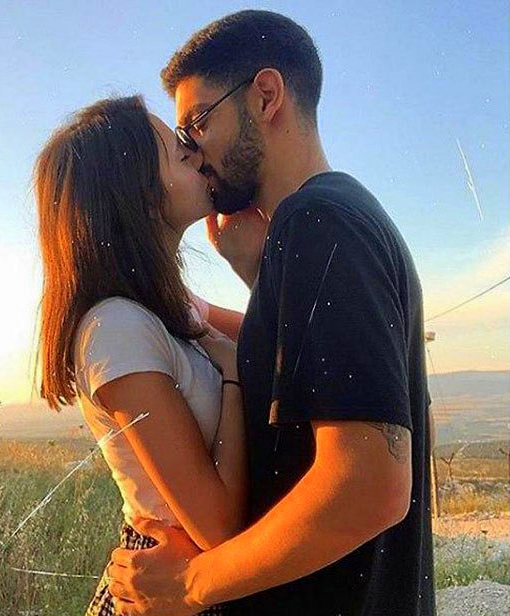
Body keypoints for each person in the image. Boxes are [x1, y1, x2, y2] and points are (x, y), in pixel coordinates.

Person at [106, 9, 436, 616]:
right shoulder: (335, 219)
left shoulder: (319, 222)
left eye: (198, 123)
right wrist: (257, 275)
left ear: (265, 96)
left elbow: (372, 484)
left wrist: (191, 584)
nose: (193, 152)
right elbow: (388, 416)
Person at [32, 96, 250, 615]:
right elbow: (218, 526)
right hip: (168, 584)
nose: (195, 153)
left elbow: (270, 341)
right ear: (138, 193)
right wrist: (233, 378)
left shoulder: (169, 305)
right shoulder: (117, 329)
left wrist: (250, 265)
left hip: (200, 580)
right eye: (177, 151)